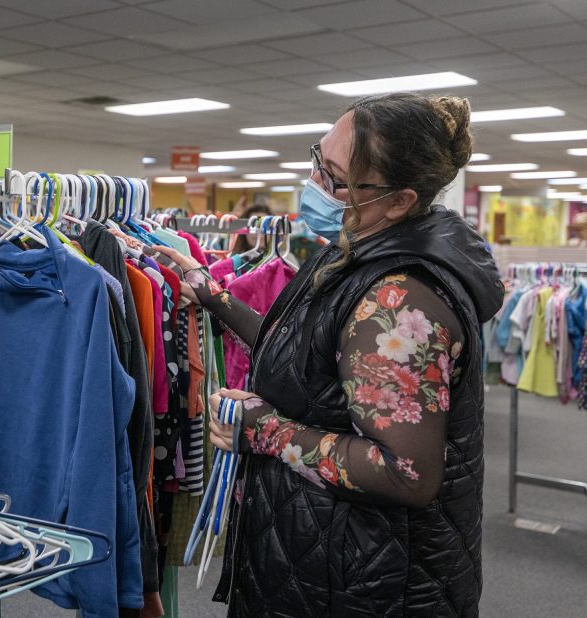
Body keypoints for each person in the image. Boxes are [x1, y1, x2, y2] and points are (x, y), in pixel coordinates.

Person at [157, 93, 503, 616]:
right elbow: (309, 356)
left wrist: (264, 430)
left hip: (364, 580)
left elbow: (404, 471)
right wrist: (212, 294)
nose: (315, 185)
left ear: (399, 201)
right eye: (318, 160)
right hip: (327, 552)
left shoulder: (400, 298)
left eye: (336, 179)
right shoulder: (354, 251)